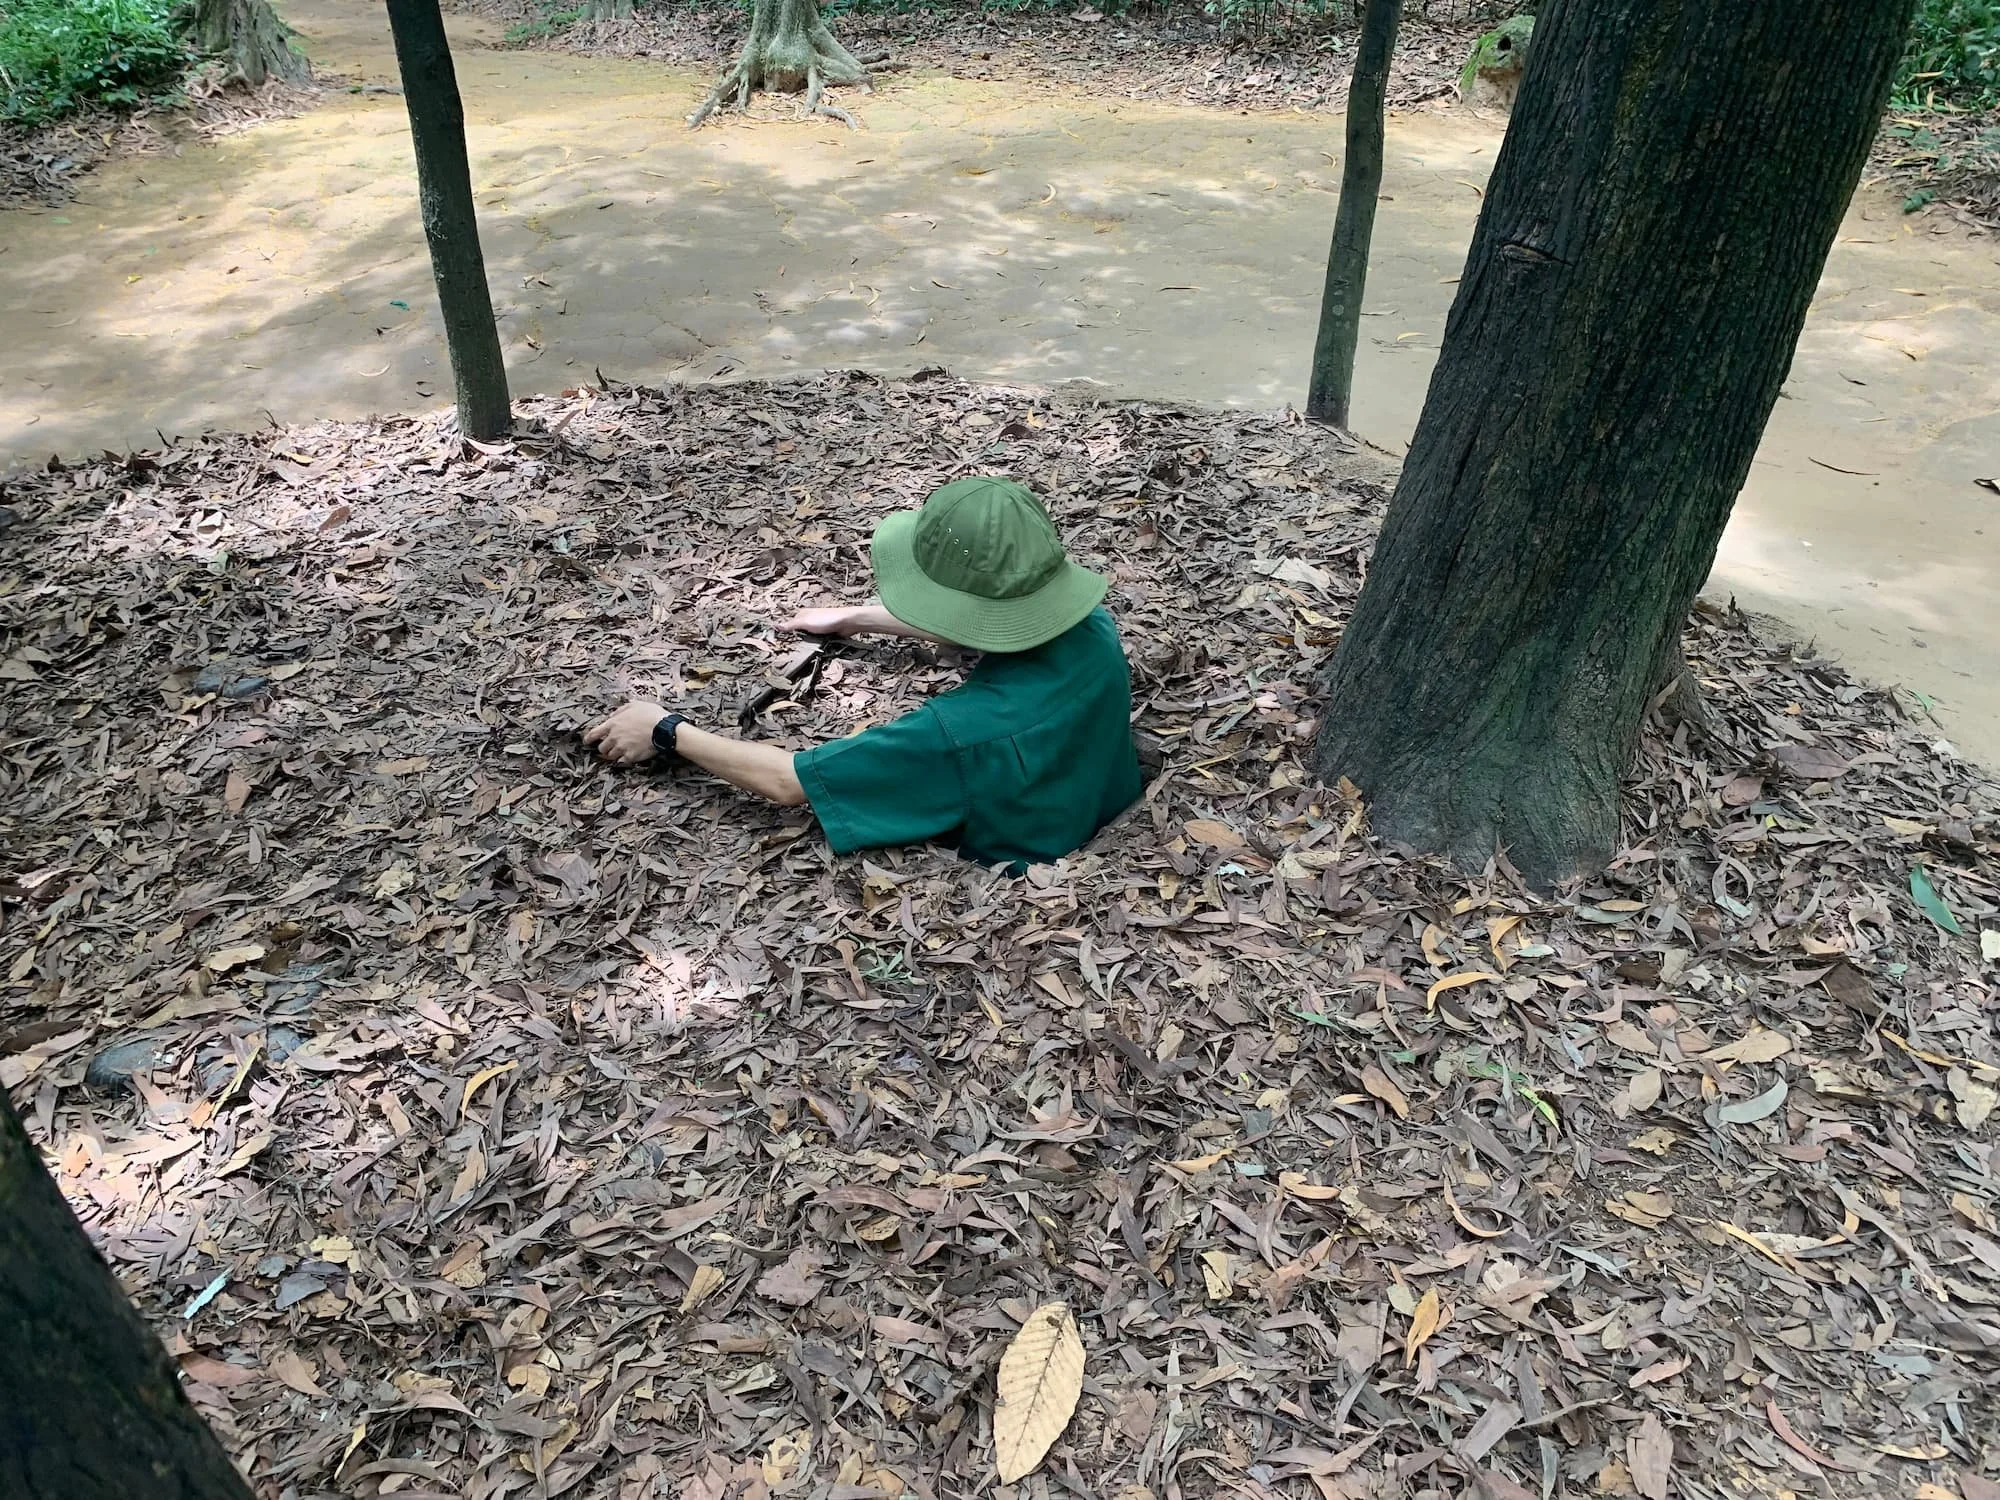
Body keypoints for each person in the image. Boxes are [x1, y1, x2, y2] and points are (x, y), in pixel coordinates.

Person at [584, 476, 1142, 871]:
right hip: (1093, 801)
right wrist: (857, 619)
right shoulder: (1094, 628)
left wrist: (665, 728)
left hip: (1019, 871)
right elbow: (998, 621)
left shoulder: (962, 731)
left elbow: (789, 781)